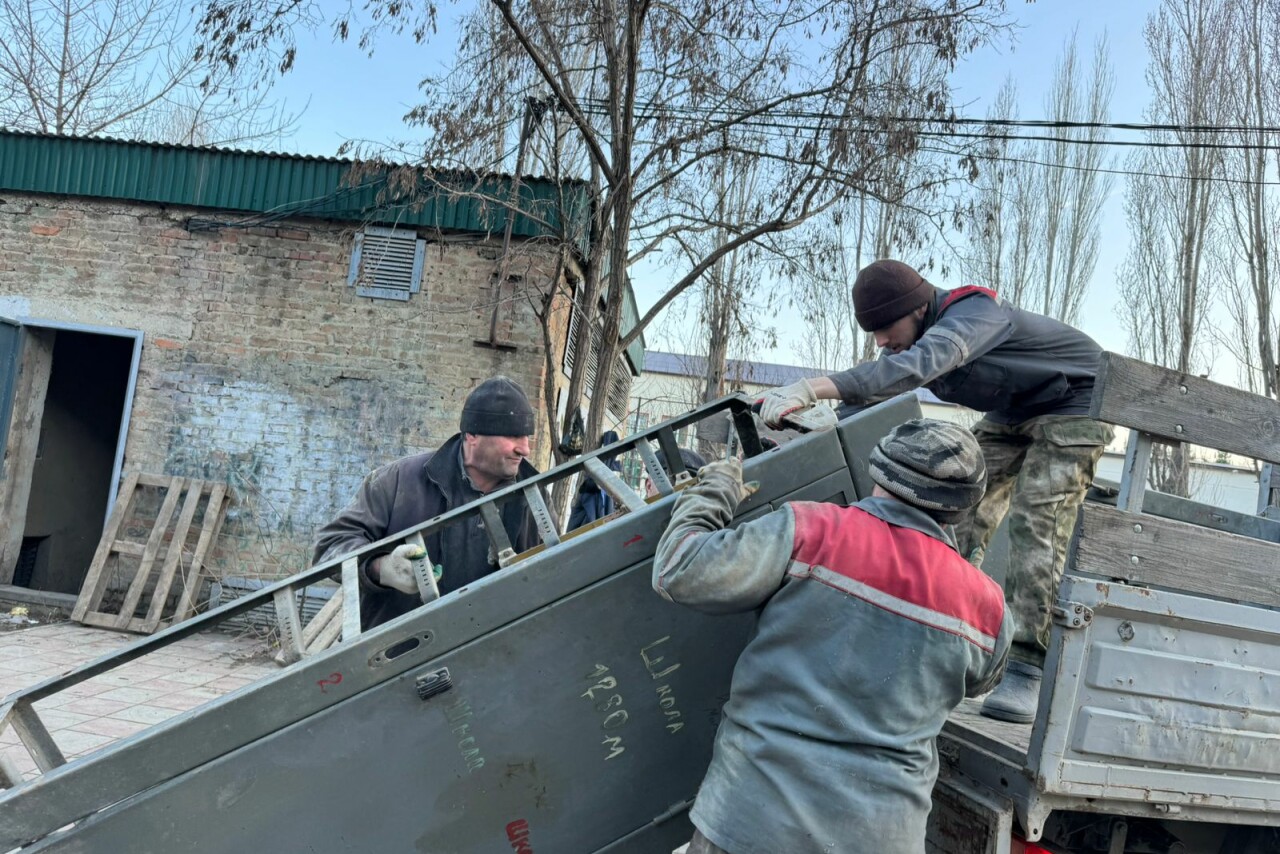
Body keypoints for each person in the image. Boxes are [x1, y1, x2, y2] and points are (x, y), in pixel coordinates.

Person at [758, 259, 1112, 723]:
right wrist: (804, 424)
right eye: (875, 333)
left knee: (1037, 520)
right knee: (955, 510)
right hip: (1012, 413)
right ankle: (946, 634)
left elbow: (913, 369)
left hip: (1076, 403)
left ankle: (1028, 665)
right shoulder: (914, 335)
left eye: (886, 328)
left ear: (918, 307)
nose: (882, 341)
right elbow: (874, 387)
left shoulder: (973, 315)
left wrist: (812, 386)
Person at [654, 418, 1011, 854]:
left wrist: (713, 491)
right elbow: (981, 683)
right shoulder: (988, 609)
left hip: (751, 821)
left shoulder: (810, 531)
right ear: (962, 506)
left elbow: (678, 569)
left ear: (879, 470)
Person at [313, 376, 543, 630]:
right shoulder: (400, 481)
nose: (525, 449)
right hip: (396, 653)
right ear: (472, 434)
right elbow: (330, 547)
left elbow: (549, 575)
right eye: (512, 435)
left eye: (526, 437)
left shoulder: (532, 495)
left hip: (487, 655)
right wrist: (382, 567)